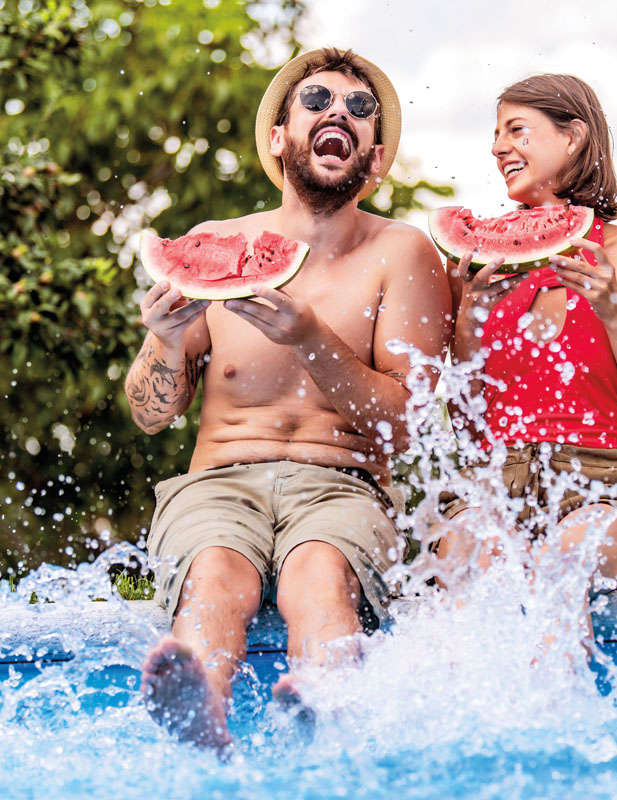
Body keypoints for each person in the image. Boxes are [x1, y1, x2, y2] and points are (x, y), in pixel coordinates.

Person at [125, 47, 451, 750]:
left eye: (359, 110)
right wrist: (161, 340)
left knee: (319, 570)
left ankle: (326, 701)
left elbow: (407, 422)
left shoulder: (404, 253)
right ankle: (201, 710)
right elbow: (150, 415)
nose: (339, 113)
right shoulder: (215, 245)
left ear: (376, 154)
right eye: (317, 101)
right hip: (218, 480)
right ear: (279, 137)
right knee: (213, 569)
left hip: (344, 484)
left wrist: (311, 339)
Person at [436, 73, 617, 616]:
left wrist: (613, 314)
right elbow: (467, 425)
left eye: (517, 130)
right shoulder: (479, 262)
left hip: (600, 487)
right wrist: (471, 315)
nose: (499, 147)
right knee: (473, 558)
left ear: (573, 136)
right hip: (492, 484)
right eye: (496, 135)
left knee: (568, 557)